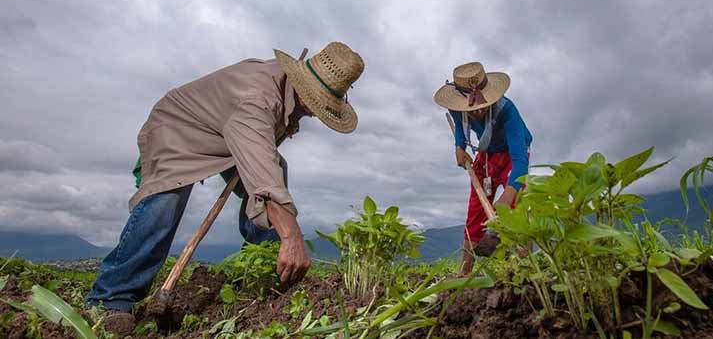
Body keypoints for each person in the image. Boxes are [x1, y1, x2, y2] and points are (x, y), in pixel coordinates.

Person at [86, 42, 364, 334]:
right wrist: (291, 234)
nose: (314, 114)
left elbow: (264, 162)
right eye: (316, 104)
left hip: (224, 134)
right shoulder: (258, 98)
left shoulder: (284, 93)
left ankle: (262, 274)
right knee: (166, 199)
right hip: (176, 130)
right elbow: (263, 175)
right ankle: (111, 299)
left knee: (276, 170)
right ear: (305, 89)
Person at [433, 62, 532, 274]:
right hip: (487, 154)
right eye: (471, 108)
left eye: (481, 107)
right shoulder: (457, 108)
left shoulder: (507, 111)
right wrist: (459, 146)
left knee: (516, 205)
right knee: (476, 208)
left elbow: (520, 160)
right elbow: (460, 126)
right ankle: (465, 270)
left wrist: (508, 194)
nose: (477, 112)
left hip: (512, 155)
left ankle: (526, 268)